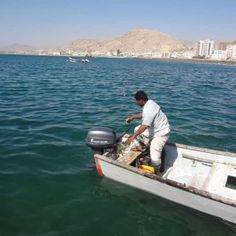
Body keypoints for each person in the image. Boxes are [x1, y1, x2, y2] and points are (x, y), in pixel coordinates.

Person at [125, 90, 170, 172]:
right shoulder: (150, 103)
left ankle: (157, 171)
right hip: (156, 129)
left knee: (154, 156)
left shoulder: (148, 109)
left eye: (137, 101)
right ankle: (144, 148)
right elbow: (143, 114)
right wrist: (133, 117)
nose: (137, 103)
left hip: (161, 133)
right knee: (136, 129)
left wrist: (132, 137)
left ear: (141, 100)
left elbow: (145, 126)